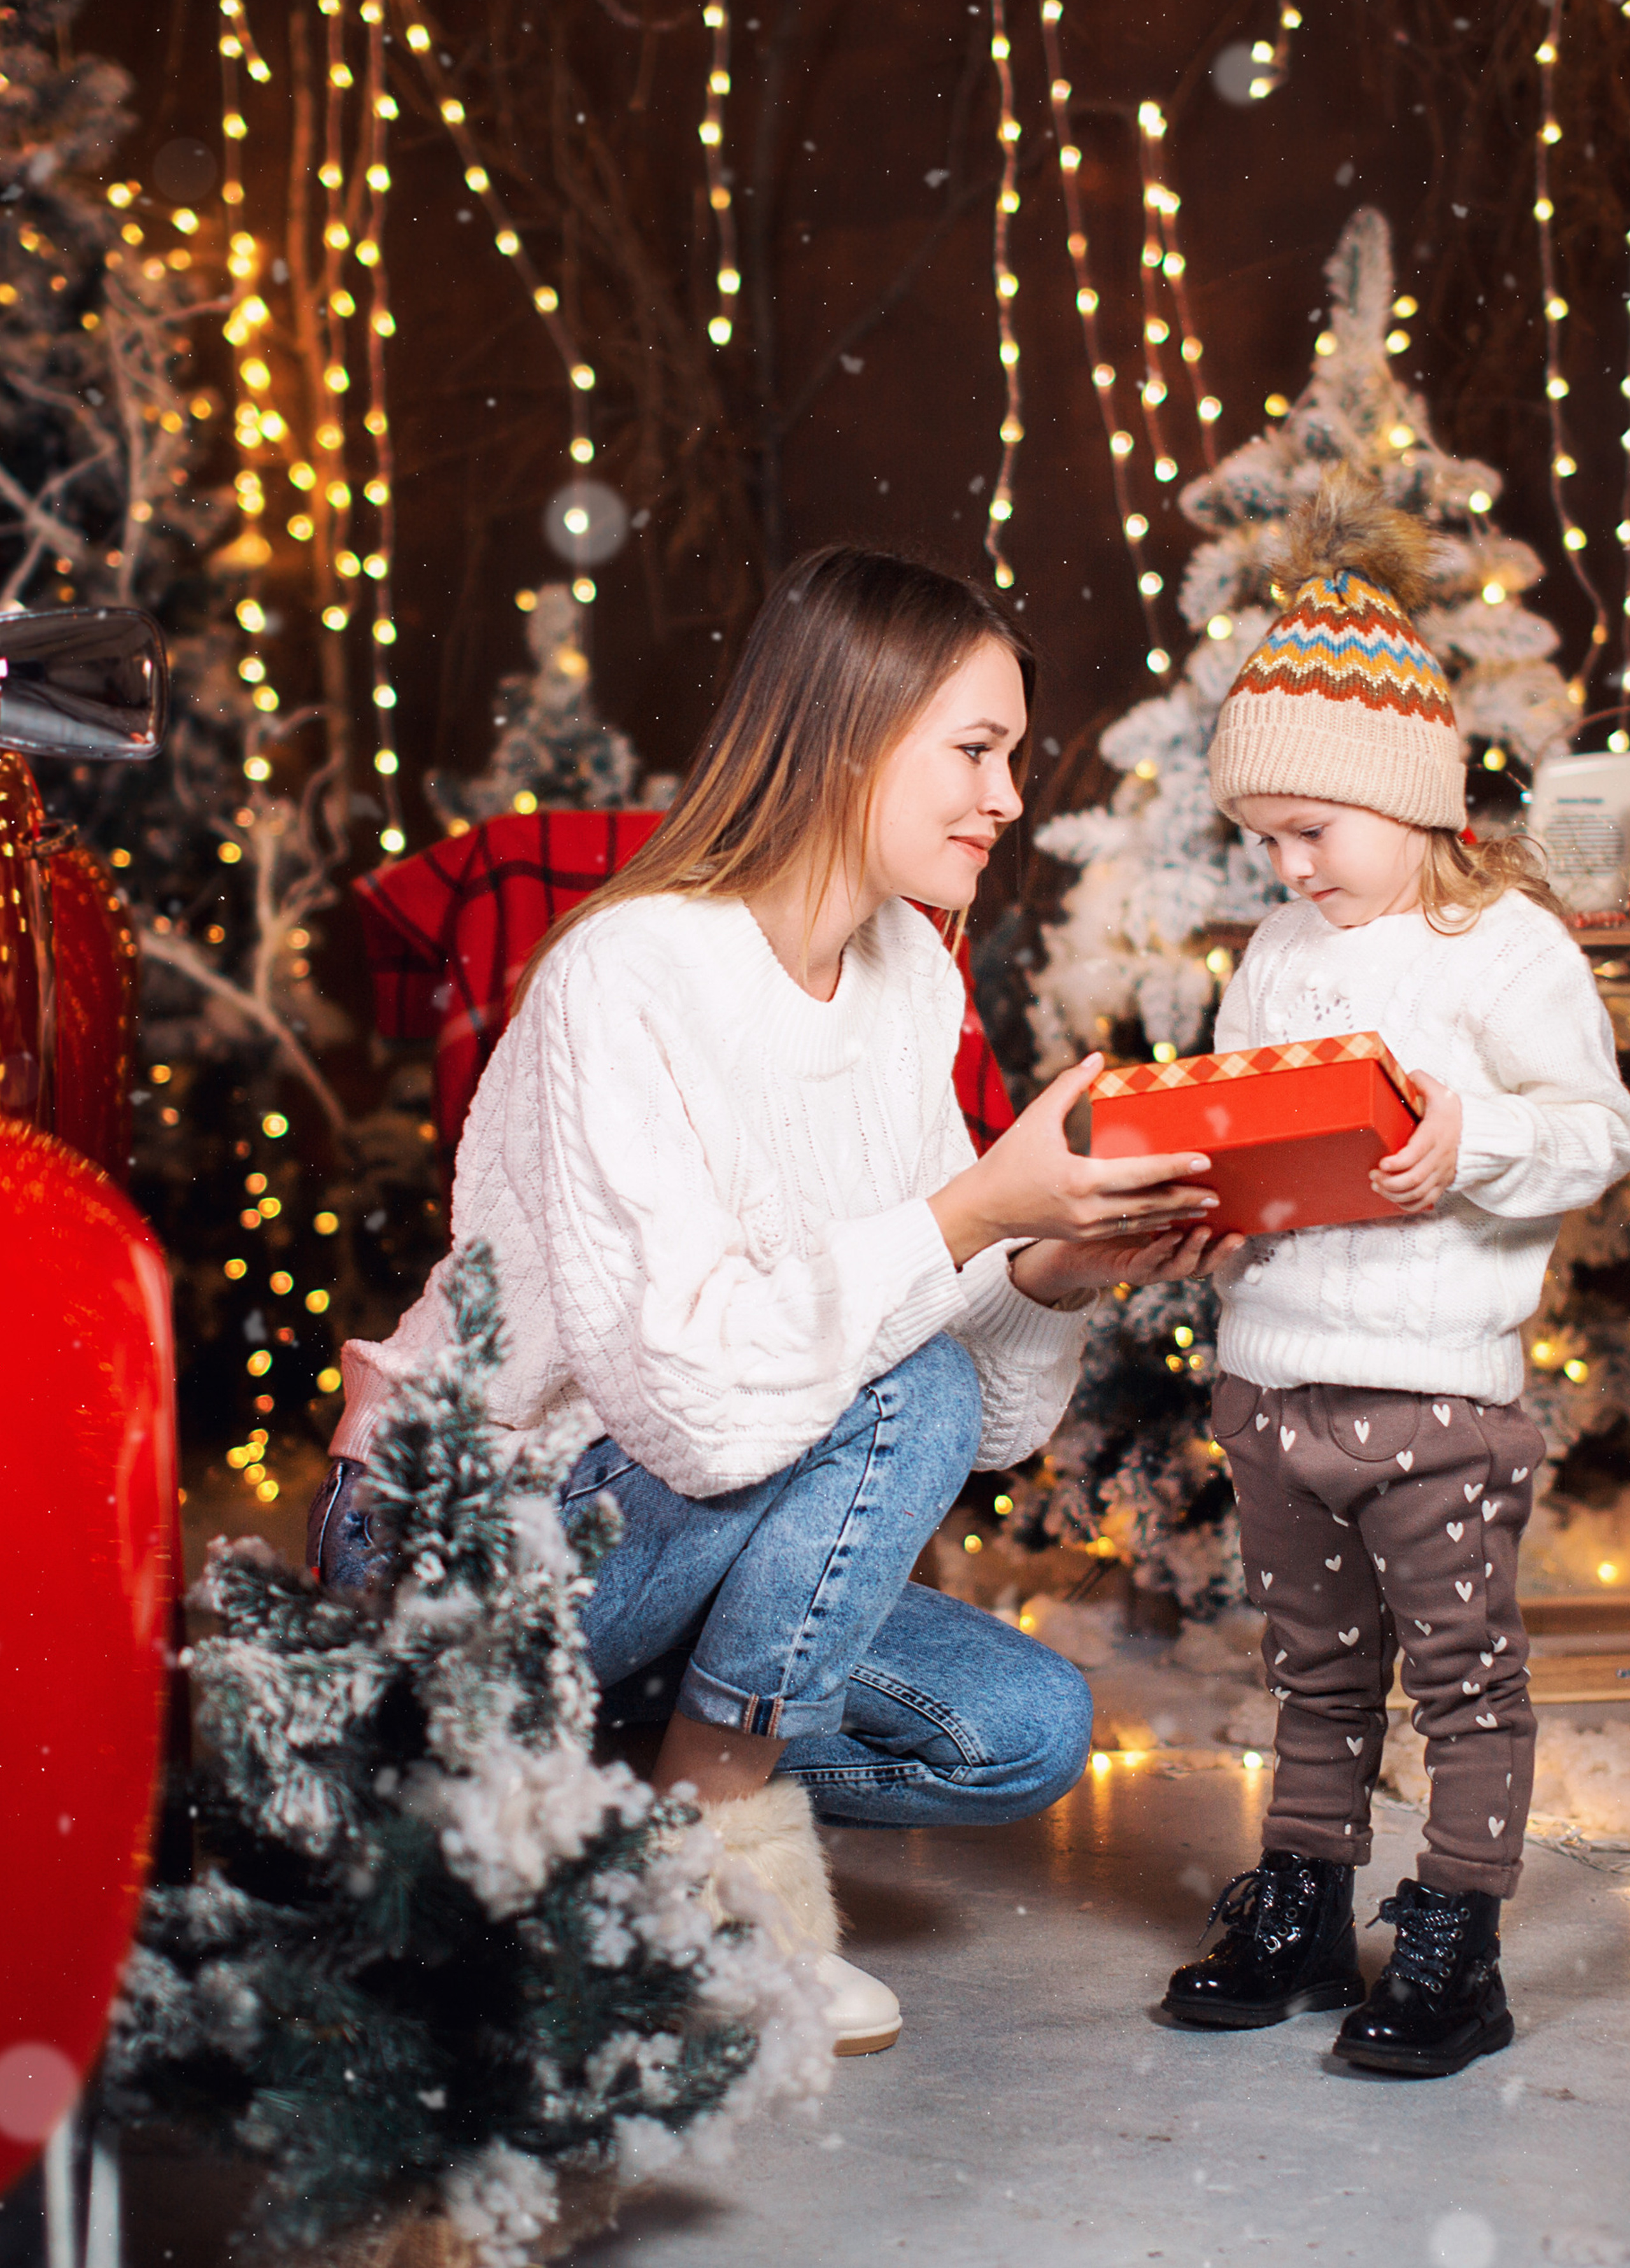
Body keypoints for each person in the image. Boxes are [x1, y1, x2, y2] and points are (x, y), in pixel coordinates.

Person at [310, 543, 1238, 2057]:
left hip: (680, 1537)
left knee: (1022, 1735)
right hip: (472, 1535)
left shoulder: (907, 979)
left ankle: (568, 1791)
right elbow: (690, 1405)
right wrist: (967, 1216)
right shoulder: (628, 975)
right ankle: (696, 1842)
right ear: (845, 733)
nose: (1005, 799)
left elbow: (983, 1415)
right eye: (975, 750)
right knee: (898, 1389)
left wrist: (1055, 1267)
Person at [1161, 468, 1630, 2078]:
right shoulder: (1279, 957)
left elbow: (1591, 1131)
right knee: (1311, 1670)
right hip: (1279, 1377)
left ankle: (1455, 1934)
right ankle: (1302, 1897)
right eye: (1261, 837)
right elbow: (1249, 1139)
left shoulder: (1504, 950)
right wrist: (1207, 1208)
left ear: (1412, 797)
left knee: (1462, 1678)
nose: (1285, 866)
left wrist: (1469, 1139)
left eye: (1308, 828)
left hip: (1435, 1392)